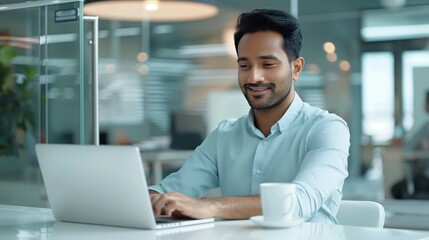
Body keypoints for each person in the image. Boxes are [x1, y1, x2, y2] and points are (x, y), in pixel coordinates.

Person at [149, 8, 350, 223]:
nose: (254, 77)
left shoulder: (327, 129)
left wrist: (209, 206)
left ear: (296, 68)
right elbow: (167, 190)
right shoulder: (225, 135)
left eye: (267, 64)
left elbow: (298, 203)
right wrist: (152, 199)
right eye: (245, 65)